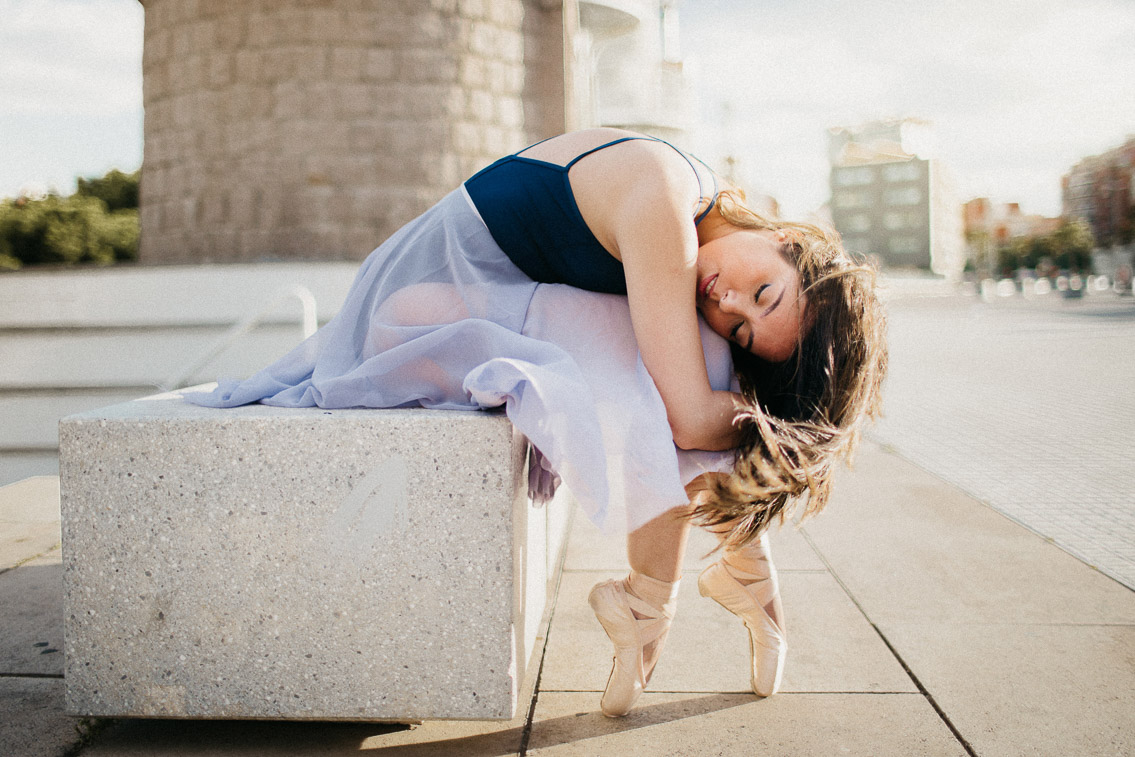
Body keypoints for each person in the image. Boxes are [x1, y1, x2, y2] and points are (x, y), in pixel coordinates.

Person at [188, 127, 887, 718]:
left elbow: (693, 399)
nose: (729, 299)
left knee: (697, 350)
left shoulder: (701, 231)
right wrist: (766, 427)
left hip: (471, 301)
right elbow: (685, 417)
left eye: (746, 325)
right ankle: (698, 583)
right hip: (413, 309)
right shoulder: (664, 197)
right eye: (763, 290)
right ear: (787, 237)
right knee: (691, 363)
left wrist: (752, 413)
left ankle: (678, 589)